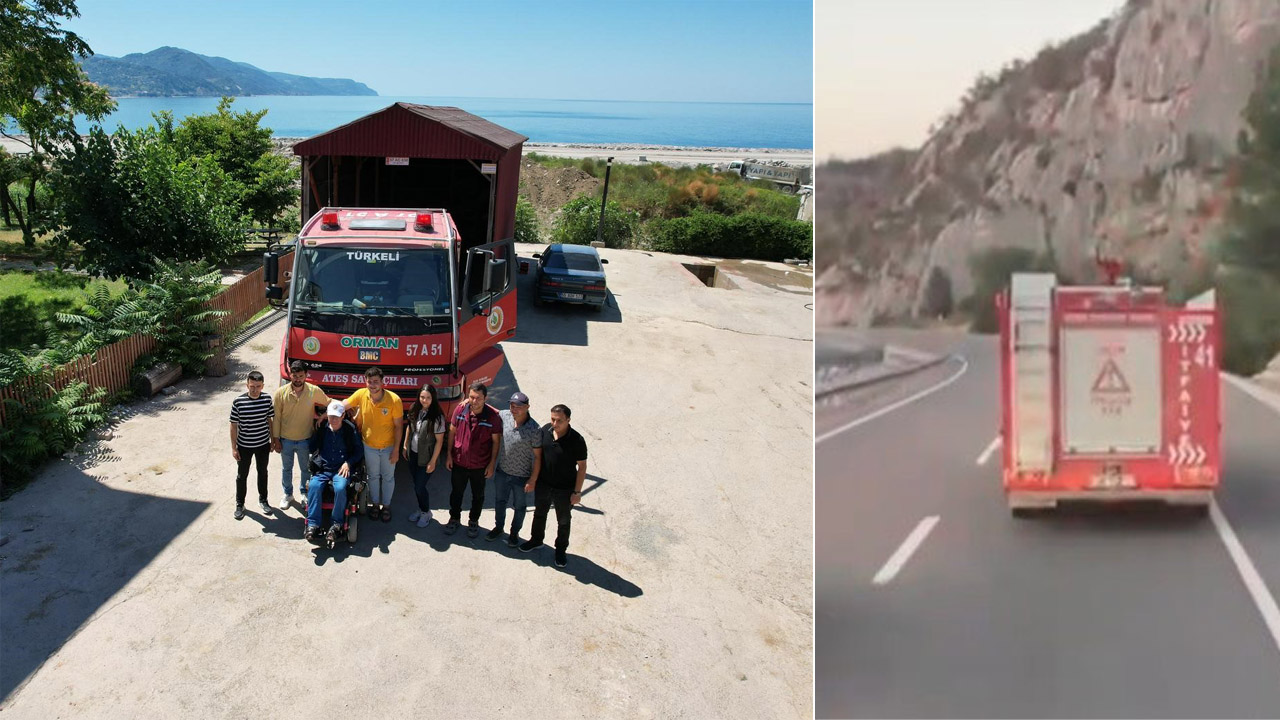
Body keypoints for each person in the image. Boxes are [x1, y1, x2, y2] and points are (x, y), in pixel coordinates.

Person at [519, 404, 588, 568]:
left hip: (565, 489)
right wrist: (534, 479)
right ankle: (536, 540)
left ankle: (560, 551)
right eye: (552, 419)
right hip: (544, 484)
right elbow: (538, 457)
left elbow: (582, 467)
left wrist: (577, 492)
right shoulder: (545, 431)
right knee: (539, 514)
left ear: (568, 420)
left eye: (559, 421)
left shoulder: (577, 440)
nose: (555, 424)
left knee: (563, 521)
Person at [270, 360, 330, 510]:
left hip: (305, 439)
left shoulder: (313, 391)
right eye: (294, 375)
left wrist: (326, 415)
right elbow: (276, 417)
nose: (297, 379)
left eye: (301, 376)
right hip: (285, 440)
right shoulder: (280, 393)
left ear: (306, 375)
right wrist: (275, 439)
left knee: (306, 469)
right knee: (286, 469)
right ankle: (287, 494)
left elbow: (329, 402)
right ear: (290, 374)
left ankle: (304, 493)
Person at [444, 381, 501, 538]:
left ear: (485, 398)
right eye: (471, 397)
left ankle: (473, 521)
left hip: (479, 466)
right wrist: (449, 454)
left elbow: (496, 441)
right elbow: (452, 432)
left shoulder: (492, 417)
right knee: (456, 493)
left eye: (478, 398)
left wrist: (491, 463)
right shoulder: (460, 410)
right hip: (459, 462)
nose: (474, 401)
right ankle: (454, 518)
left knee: (478, 496)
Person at [346, 367, 404, 522]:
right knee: (372, 476)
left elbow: (399, 426)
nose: (372, 385)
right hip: (369, 446)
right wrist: (327, 412)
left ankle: (386, 506)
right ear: (366, 382)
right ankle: (375, 505)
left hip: (388, 447)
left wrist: (396, 449)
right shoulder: (361, 394)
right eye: (369, 381)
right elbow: (344, 404)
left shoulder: (394, 400)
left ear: (382, 382)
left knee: (388, 477)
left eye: (376, 382)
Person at [306, 400, 364, 544]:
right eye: (331, 416)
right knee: (314, 485)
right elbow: (311, 448)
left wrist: (348, 463)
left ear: (343, 415)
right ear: (327, 415)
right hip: (323, 468)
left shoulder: (350, 430)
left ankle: (336, 524)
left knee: (339, 487)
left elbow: (359, 451)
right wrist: (315, 430)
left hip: (341, 469)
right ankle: (313, 524)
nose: (334, 419)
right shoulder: (322, 429)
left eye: (337, 416)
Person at [488, 391, 542, 547]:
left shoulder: (534, 429)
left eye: (518, 406)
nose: (514, 409)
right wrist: (470, 402)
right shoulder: (506, 416)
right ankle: (498, 528)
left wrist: (532, 480)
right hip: (502, 472)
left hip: (521, 477)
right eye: (512, 405)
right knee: (499, 501)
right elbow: (493, 410)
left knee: (519, 507)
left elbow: (538, 457)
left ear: (527, 407)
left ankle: (513, 534)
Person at [229, 370, 276, 520]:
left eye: (258, 386)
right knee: (242, 475)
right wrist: (233, 447)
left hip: (263, 445)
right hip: (244, 446)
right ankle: (239, 504)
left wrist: (273, 440)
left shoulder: (267, 399)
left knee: (263, 472)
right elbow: (233, 425)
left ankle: (263, 500)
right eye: (252, 386)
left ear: (263, 386)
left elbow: (270, 420)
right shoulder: (238, 402)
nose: (255, 389)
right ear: (247, 385)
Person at [401, 383, 445, 529]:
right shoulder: (415, 408)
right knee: (416, 485)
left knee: (420, 486)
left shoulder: (437, 417)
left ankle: (426, 512)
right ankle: (420, 509)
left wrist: (432, 461)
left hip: (426, 458)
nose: (424, 400)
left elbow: (439, 441)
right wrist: (405, 444)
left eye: (427, 398)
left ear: (433, 399)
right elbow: (409, 426)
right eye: (422, 397)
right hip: (413, 454)